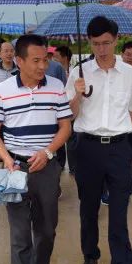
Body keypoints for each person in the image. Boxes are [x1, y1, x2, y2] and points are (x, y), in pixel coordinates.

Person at [0, 34, 72, 264]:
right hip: (15, 169)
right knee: (20, 235)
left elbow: (65, 126)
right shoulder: (4, 90)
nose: (42, 65)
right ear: (18, 61)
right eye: (35, 60)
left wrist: (48, 152)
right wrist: (6, 158)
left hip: (46, 167)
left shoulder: (57, 86)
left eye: (45, 59)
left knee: (47, 228)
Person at [65, 16, 132, 264]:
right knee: (88, 209)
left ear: (116, 39)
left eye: (107, 43)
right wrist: (77, 94)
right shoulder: (78, 72)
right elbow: (68, 116)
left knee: (119, 218)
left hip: (120, 149)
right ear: (89, 42)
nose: (101, 49)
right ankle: (90, 255)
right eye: (96, 44)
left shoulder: (129, 73)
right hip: (86, 148)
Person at [54, 46, 77, 174]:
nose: (54, 60)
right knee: (59, 136)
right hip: (58, 108)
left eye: (57, 57)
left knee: (71, 138)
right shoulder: (55, 70)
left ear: (65, 58)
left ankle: (73, 167)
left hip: (71, 109)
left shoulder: (75, 71)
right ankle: (60, 163)